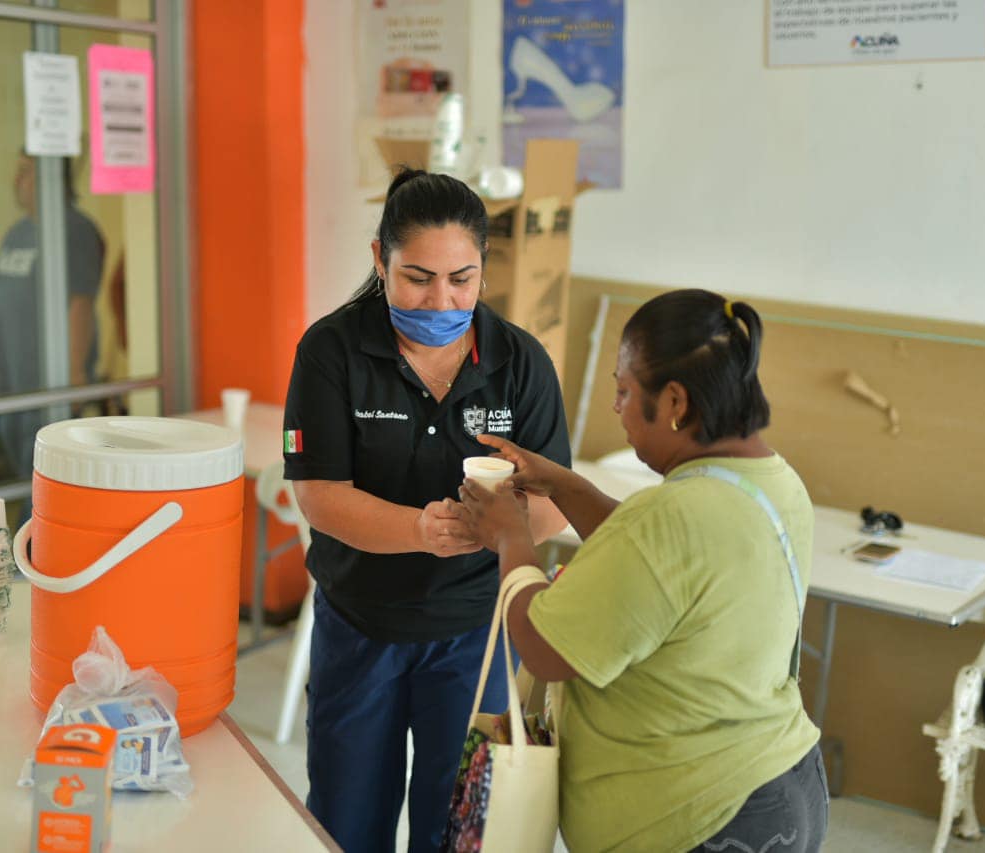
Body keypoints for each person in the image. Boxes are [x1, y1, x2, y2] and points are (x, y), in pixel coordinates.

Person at [457, 289, 829, 852]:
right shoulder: (773, 480)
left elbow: (544, 648)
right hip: (779, 782)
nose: (616, 407)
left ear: (675, 401)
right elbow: (660, 568)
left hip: (698, 816)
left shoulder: (673, 514)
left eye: (625, 390)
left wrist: (509, 538)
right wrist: (566, 485)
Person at [282, 168, 571, 853]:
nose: (441, 299)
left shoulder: (520, 362)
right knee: (348, 823)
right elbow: (318, 492)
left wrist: (496, 529)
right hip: (361, 626)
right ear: (379, 258)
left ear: (483, 270)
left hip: (476, 633)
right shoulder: (331, 352)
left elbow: (555, 506)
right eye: (417, 277)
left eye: (461, 279)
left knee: (459, 832)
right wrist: (417, 529)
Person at [0, 152, 104, 489]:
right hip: (11, 381)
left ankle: (34, 541)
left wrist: (75, 372)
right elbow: (1, 301)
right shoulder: (16, 234)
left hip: (48, 383)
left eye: (25, 172)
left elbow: (80, 302)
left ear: (52, 178)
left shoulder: (75, 231)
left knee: (44, 479)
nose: (16, 181)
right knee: (24, 471)